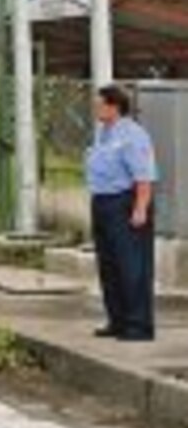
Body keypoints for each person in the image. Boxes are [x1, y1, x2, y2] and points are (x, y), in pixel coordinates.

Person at [86, 84, 158, 342]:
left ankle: (138, 326)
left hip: (125, 203)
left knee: (132, 266)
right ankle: (117, 320)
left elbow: (145, 177)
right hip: (103, 202)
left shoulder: (133, 135)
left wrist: (140, 208)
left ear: (114, 106)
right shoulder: (102, 133)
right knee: (109, 265)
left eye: (99, 103)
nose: (95, 108)